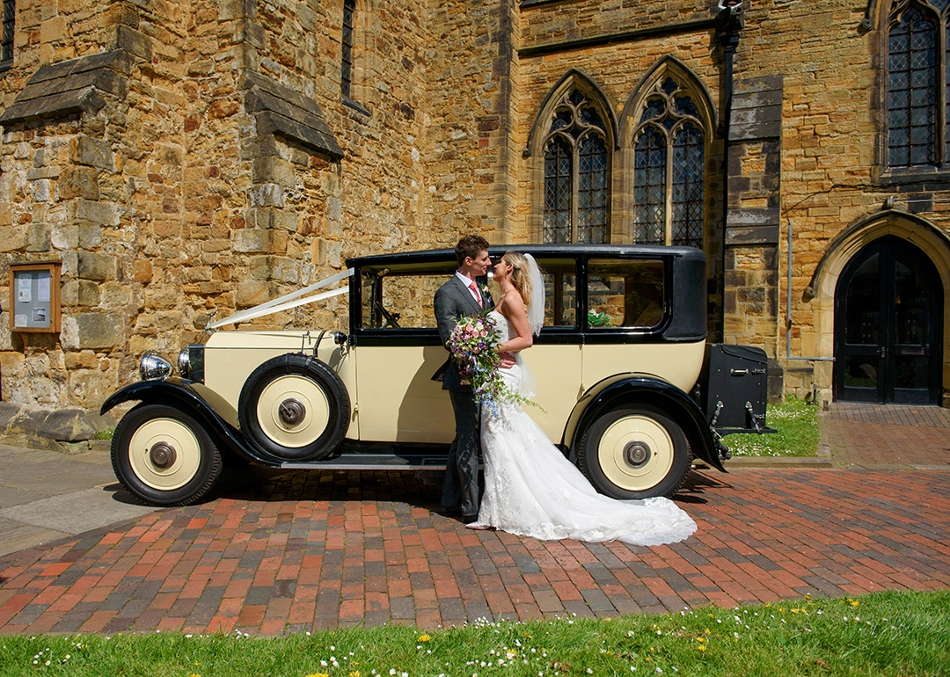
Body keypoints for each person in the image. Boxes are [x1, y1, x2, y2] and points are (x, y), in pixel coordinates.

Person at [466, 251, 697, 546]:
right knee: (496, 439)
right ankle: (494, 511)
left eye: (497, 262)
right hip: (496, 373)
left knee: (500, 437)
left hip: (503, 373)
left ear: (508, 268)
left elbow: (526, 339)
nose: (493, 265)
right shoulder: (501, 296)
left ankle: (499, 512)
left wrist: (495, 348)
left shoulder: (510, 299)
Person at [433, 235, 494, 524]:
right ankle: (470, 509)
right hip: (463, 378)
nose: (489, 262)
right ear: (469, 262)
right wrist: (480, 348)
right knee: (469, 441)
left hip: (485, 375)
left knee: (462, 439)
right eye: (484, 259)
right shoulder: (447, 292)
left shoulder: (483, 289)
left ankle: (448, 501)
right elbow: (450, 339)